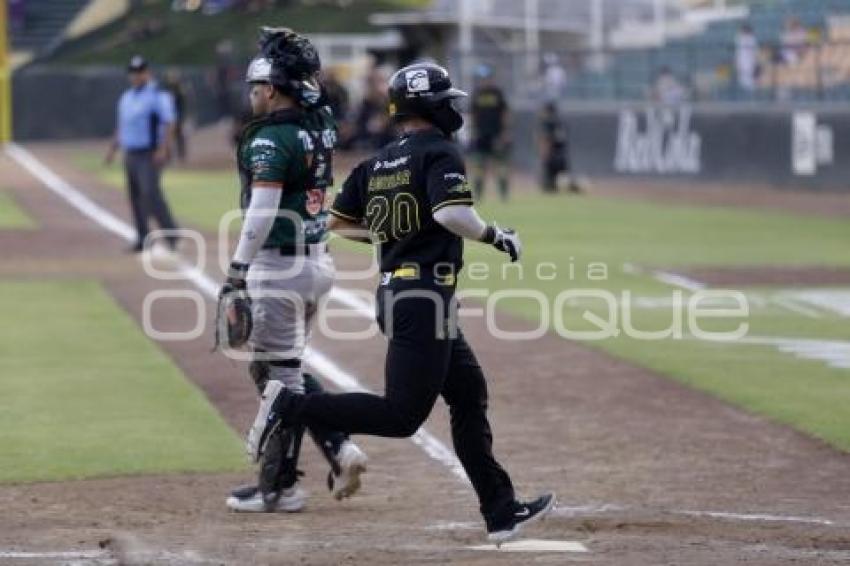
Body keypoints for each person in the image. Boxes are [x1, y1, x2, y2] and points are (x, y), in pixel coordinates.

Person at [244, 62, 556, 542]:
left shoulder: (379, 160)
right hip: (423, 296)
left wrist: (394, 234)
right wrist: (495, 234)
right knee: (402, 416)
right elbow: (453, 213)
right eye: (446, 98)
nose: (454, 106)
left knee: (469, 395)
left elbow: (338, 221)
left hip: (403, 293)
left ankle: (500, 510)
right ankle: (290, 404)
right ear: (428, 105)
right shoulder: (439, 152)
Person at [220, 27, 368, 513]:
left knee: (276, 377)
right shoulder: (319, 119)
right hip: (316, 262)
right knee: (287, 369)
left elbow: (261, 212)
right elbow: (321, 98)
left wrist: (237, 270)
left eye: (257, 85)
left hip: (278, 267)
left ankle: (282, 485)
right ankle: (334, 450)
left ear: (273, 87)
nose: (253, 93)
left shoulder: (272, 138)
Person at [104, 55, 179, 253]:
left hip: (150, 152)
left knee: (150, 193)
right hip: (131, 153)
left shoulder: (157, 95)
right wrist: (113, 149)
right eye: (133, 72)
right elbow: (122, 126)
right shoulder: (126, 98)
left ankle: (171, 234)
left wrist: (164, 149)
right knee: (135, 195)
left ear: (147, 72)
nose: (136, 76)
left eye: (140, 72)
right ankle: (143, 237)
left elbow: (169, 122)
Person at [468, 64, 511, 201]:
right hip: (481, 136)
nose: (484, 81)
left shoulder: (497, 93)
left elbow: (505, 113)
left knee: (500, 166)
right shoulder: (476, 94)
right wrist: (473, 132)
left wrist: (505, 132)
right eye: (482, 78)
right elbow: (472, 114)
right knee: (479, 166)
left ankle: (503, 195)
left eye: (486, 78)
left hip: (496, 135)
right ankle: (479, 195)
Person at [538, 101, 581, 193]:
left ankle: (574, 186)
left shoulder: (547, 122)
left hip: (552, 156)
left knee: (548, 186)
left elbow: (546, 140)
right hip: (562, 156)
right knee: (564, 180)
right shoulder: (562, 122)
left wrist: (544, 154)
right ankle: (575, 187)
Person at [163, 69, 190, 163]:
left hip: (178, 115)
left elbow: (183, 103)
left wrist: (182, 117)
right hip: (168, 115)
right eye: (170, 77)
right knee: (168, 135)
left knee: (179, 135)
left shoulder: (180, 89)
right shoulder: (166, 88)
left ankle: (181, 155)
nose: (172, 79)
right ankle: (168, 155)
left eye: (173, 77)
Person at [735, 24, 759, 95]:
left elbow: (754, 52)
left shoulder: (752, 39)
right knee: (742, 79)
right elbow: (738, 53)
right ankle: (745, 94)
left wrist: (755, 61)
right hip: (741, 60)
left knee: (750, 79)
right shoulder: (739, 38)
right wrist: (737, 63)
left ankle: (752, 95)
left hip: (750, 61)